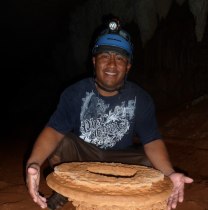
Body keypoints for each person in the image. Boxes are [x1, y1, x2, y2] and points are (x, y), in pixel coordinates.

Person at [26, 18, 193, 210]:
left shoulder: (141, 99)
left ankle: (130, 199)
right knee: (61, 143)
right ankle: (65, 190)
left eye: (120, 58)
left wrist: (170, 173)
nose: (112, 64)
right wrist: (34, 163)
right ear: (94, 61)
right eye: (105, 55)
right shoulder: (74, 93)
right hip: (83, 156)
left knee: (150, 164)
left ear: (128, 66)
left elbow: (152, 141)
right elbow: (53, 131)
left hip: (121, 158)